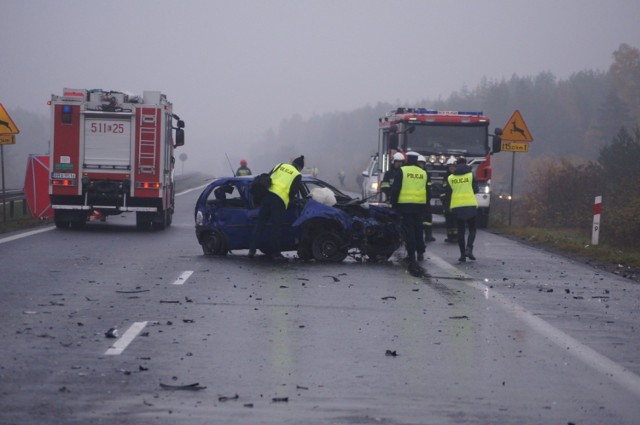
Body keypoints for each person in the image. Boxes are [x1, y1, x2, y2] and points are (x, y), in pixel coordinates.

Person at [248, 155, 304, 260]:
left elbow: (268, 178)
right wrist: (290, 200)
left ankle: (251, 250)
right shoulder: (297, 174)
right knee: (276, 227)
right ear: (300, 168)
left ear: (292, 163)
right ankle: (276, 253)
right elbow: (293, 192)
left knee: (260, 225)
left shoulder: (280, 165)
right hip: (279, 201)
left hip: (266, 197)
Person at [390, 151, 428, 265]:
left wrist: (393, 203)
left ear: (406, 160)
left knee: (409, 230)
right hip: (420, 205)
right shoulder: (423, 173)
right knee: (419, 229)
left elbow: (396, 188)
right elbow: (426, 189)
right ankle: (420, 252)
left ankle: (411, 254)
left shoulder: (402, 171)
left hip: (405, 205)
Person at [447, 156, 479, 262]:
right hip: (470, 205)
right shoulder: (470, 175)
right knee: (472, 229)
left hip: (457, 206)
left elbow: (450, 191)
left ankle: (462, 255)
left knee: (461, 231)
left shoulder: (451, 178)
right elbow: (476, 189)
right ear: (466, 164)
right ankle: (469, 248)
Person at [439, 156, 458, 243]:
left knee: (455, 220)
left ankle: (456, 236)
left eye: (453, 166)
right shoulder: (445, 177)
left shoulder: (458, 177)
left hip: (456, 201)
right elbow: (443, 189)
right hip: (447, 202)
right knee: (448, 219)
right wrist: (443, 199)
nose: (452, 168)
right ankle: (450, 235)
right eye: (450, 166)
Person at [417, 155, 435, 243]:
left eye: (422, 164)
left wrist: (428, 198)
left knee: (428, 219)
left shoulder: (426, 174)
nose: (421, 165)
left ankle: (428, 235)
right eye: (419, 163)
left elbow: (428, 187)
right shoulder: (416, 174)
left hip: (425, 200)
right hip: (417, 200)